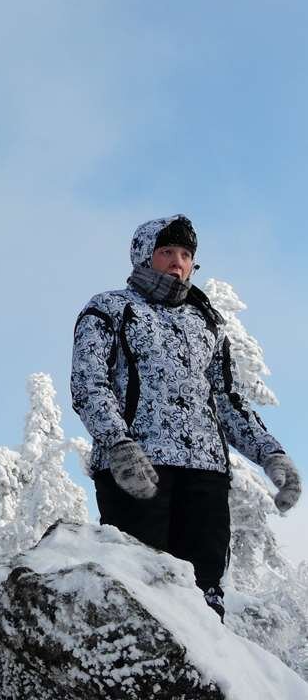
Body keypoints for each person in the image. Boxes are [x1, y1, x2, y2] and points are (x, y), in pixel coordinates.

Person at [71, 214, 301, 621]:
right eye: (167, 252)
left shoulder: (206, 323)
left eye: (186, 254)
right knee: (139, 587)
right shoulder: (110, 308)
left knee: (204, 595)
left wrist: (271, 455)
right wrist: (119, 446)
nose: (178, 262)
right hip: (140, 469)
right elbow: (89, 383)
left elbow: (228, 400)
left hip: (204, 475)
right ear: (145, 256)